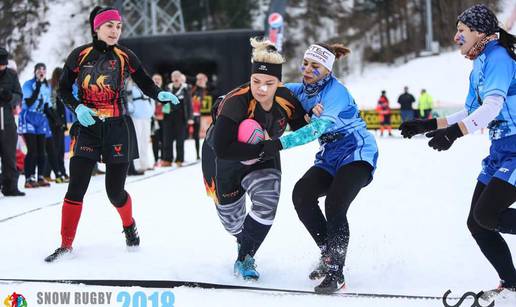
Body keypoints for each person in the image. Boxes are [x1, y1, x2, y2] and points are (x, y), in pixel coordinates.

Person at [400, 4, 516, 301]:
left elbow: (492, 107)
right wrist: (429, 123)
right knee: (478, 222)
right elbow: (472, 110)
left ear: (479, 33)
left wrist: (454, 133)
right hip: (500, 149)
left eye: (462, 30)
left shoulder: (499, 57)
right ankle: (512, 284)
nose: (456, 37)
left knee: (488, 214)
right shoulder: (480, 62)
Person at [44, 6, 178, 262]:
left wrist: (158, 93)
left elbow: (145, 82)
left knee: (114, 192)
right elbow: (62, 90)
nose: (115, 30)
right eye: (110, 26)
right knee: (76, 187)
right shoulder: (79, 55)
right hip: (88, 128)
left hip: (117, 128)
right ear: (97, 28)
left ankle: (129, 226)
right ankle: (65, 245)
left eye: (118, 26)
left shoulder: (125, 55)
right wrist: (78, 107)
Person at [201, 37, 309, 280]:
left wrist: (317, 114)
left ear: (279, 82)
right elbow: (222, 148)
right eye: (256, 81)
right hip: (222, 157)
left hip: (263, 157)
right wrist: (264, 148)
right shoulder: (236, 101)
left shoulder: (286, 100)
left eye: (269, 83)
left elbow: (303, 127)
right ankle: (244, 241)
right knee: (233, 224)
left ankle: (246, 257)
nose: (261, 88)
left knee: (266, 202)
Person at [283, 43, 379, 293]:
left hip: (356, 150)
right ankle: (328, 256)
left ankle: (336, 273)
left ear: (327, 69)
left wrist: (278, 144)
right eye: (305, 64)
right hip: (329, 155)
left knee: (335, 204)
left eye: (315, 66)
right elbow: (267, 89)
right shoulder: (298, 90)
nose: (307, 69)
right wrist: (229, 97)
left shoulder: (337, 92)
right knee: (302, 195)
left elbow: (315, 129)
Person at [19, 63, 52, 188]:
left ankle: (40, 177)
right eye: (39, 70)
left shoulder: (46, 86)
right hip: (29, 117)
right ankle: (29, 178)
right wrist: (37, 87)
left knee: (42, 151)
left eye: (44, 69)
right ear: (35, 71)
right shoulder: (28, 84)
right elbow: (29, 101)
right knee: (32, 150)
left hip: (41, 118)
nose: (42, 72)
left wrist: (56, 119)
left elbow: (47, 106)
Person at [0, 47, 25, 196]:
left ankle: (10, 187)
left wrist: (10, 98)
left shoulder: (11, 75)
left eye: (3, 65)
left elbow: (18, 93)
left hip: (7, 117)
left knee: (9, 153)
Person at [43, 67, 68, 183]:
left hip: (59, 122)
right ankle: (48, 173)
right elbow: (50, 107)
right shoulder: (51, 88)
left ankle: (61, 172)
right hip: (52, 123)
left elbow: (61, 107)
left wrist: (64, 123)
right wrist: (57, 120)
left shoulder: (59, 88)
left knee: (60, 149)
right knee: (54, 149)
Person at [162, 70, 192, 167]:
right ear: (171, 78)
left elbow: (189, 104)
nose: (175, 78)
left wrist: (190, 117)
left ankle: (179, 159)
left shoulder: (185, 89)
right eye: (174, 76)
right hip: (168, 117)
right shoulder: (167, 88)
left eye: (177, 76)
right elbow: (163, 102)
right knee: (167, 139)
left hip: (181, 118)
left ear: (180, 78)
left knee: (180, 139)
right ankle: (167, 159)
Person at [127, 78, 154, 173]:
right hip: (136, 115)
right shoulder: (129, 84)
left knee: (145, 140)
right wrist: (131, 110)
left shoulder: (145, 85)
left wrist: (151, 111)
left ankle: (145, 163)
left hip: (146, 115)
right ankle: (136, 165)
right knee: (137, 140)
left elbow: (151, 98)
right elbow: (127, 98)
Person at [190, 73, 209, 160]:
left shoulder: (203, 89)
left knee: (196, 136)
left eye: (203, 80)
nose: (201, 81)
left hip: (196, 114)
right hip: (188, 114)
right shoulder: (192, 88)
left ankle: (197, 154)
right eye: (199, 79)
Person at [150, 73, 164, 166]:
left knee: (164, 140)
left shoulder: (165, 92)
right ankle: (156, 159)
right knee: (155, 141)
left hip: (164, 120)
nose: (157, 80)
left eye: (158, 79)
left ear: (161, 81)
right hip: (153, 120)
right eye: (155, 79)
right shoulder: (149, 92)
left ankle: (163, 158)